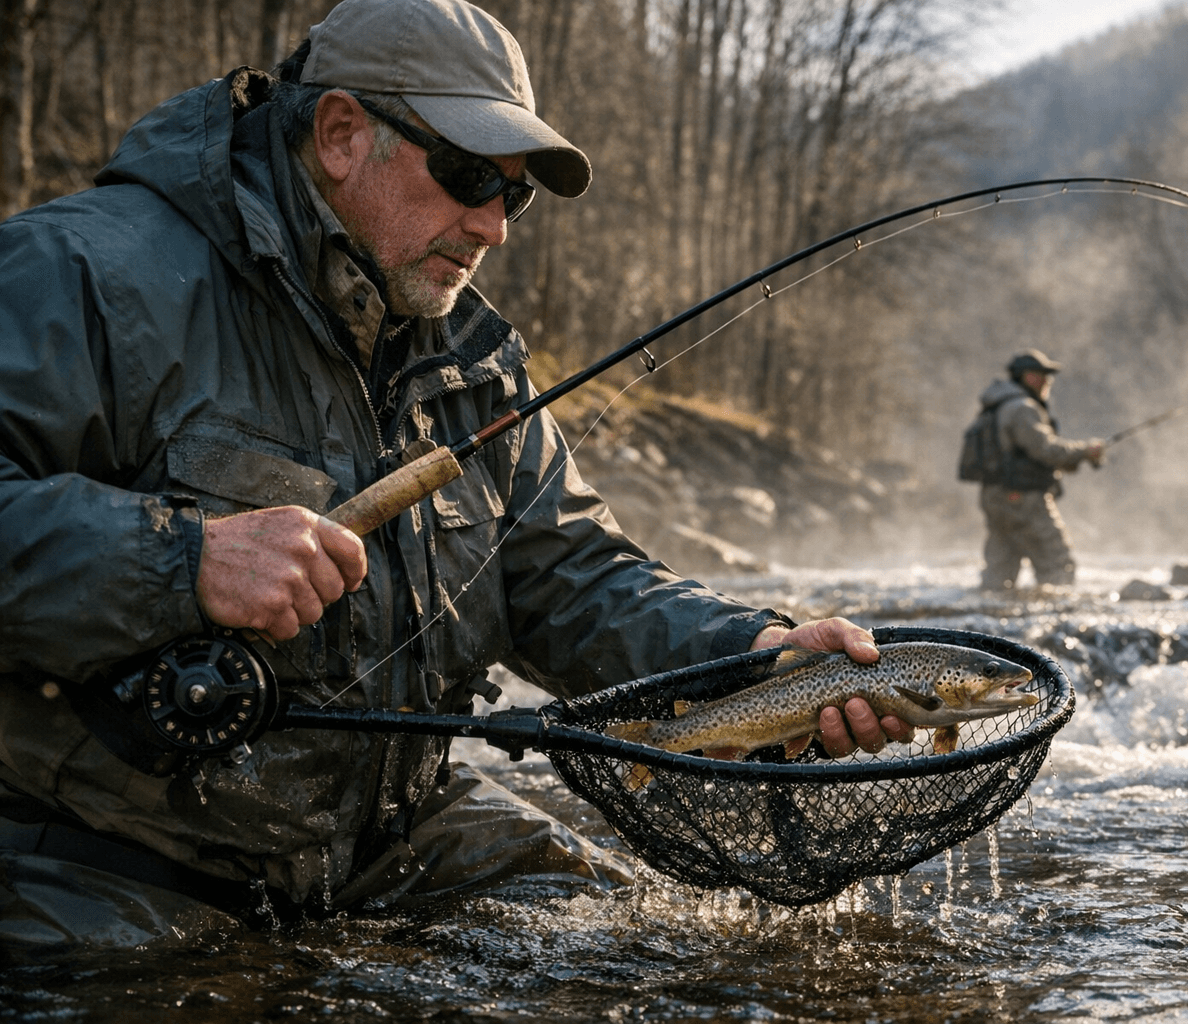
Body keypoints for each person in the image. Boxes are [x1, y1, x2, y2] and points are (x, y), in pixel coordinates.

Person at [0, 0, 912, 949]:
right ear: (343, 133)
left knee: (645, 948)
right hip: (98, 856)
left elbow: (569, 577)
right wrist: (178, 562)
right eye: (468, 174)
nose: (493, 226)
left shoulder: (470, 359)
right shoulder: (82, 273)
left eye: (510, 194)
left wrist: (756, 659)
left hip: (389, 843)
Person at [971, 350, 1105, 590]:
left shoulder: (998, 405)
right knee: (1057, 562)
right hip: (1023, 498)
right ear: (1027, 377)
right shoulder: (1022, 408)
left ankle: (989, 613)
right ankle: (1057, 617)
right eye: (1042, 375)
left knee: (1000, 569)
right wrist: (1086, 451)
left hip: (995, 497)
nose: (1047, 381)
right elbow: (1046, 450)